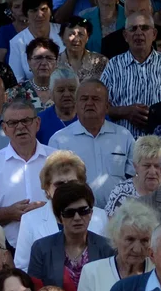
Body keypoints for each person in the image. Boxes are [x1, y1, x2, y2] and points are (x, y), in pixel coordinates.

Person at [15, 151, 112, 273]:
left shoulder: (100, 216)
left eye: (72, 183)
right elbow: (22, 268)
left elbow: (110, 263)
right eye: (59, 184)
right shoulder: (29, 220)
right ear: (47, 188)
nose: (66, 189)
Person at [0, 99, 52, 248]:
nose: (20, 127)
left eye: (26, 121)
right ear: (4, 128)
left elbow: (73, 203)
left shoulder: (56, 160)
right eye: (13, 123)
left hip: (53, 246)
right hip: (9, 249)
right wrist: (8, 213)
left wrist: (47, 210)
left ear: (37, 123)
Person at [77, 201, 160, 291]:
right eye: (130, 239)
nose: (137, 248)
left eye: (145, 240)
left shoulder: (158, 272)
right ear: (116, 238)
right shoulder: (92, 272)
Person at [49, 79, 136, 209]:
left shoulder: (124, 136)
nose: (89, 103)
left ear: (107, 107)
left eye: (95, 99)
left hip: (120, 214)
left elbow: (134, 178)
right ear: (76, 105)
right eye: (84, 99)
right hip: (78, 215)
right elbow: (54, 185)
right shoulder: (59, 140)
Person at [29, 182, 116, 291]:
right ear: (58, 217)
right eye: (69, 213)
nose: (77, 218)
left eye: (83, 211)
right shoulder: (41, 249)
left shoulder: (107, 248)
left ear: (91, 214)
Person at [101, 11, 161, 137]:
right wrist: (124, 111)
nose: (138, 33)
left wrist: (155, 115)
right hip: (123, 142)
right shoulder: (114, 65)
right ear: (125, 36)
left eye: (145, 28)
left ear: (154, 34)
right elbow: (100, 105)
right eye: (133, 28)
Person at [7, 0, 65, 83]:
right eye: (34, 10)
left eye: (44, 9)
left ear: (50, 11)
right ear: (26, 14)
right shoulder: (17, 42)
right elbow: (17, 80)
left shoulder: (64, 33)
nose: (39, 14)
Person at [105, 135, 161, 216]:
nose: (152, 171)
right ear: (135, 167)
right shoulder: (121, 192)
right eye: (147, 166)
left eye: (157, 166)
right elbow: (112, 225)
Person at [11, 37, 61, 110]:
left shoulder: (65, 91)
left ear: (56, 62)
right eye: (38, 58)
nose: (44, 63)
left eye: (49, 58)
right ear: (28, 61)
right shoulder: (16, 93)